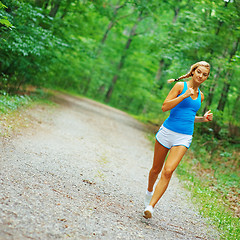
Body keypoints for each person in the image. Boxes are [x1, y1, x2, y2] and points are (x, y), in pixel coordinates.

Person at [143, 61, 213, 219]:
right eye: (199, 72)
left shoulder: (201, 96)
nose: (201, 76)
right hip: (167, 132)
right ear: (193, 71)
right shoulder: (180, 87)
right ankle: (149, 192)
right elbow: (165, 107)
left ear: (207, 77)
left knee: (168, 171)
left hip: (184, 136)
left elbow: (188, 117)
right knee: (156, 169)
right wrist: (184, 95)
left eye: (205, 74)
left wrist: (204, 118)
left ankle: (150, 207)